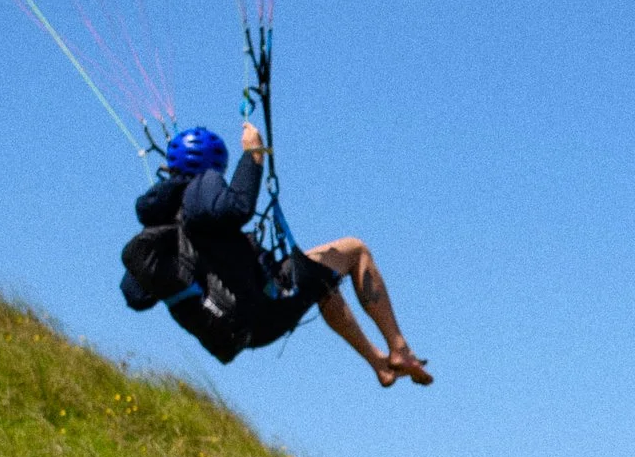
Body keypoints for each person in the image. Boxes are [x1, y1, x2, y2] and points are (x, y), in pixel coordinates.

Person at [119, 123, 432, 387]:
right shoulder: (202, 186)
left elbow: (137, 296)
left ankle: (379, 363)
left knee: (321, 280)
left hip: (236, 329)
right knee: (355, 250)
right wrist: (254, 155)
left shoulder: (161, 222)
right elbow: (238, 207)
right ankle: (398, 348)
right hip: (260, 308)